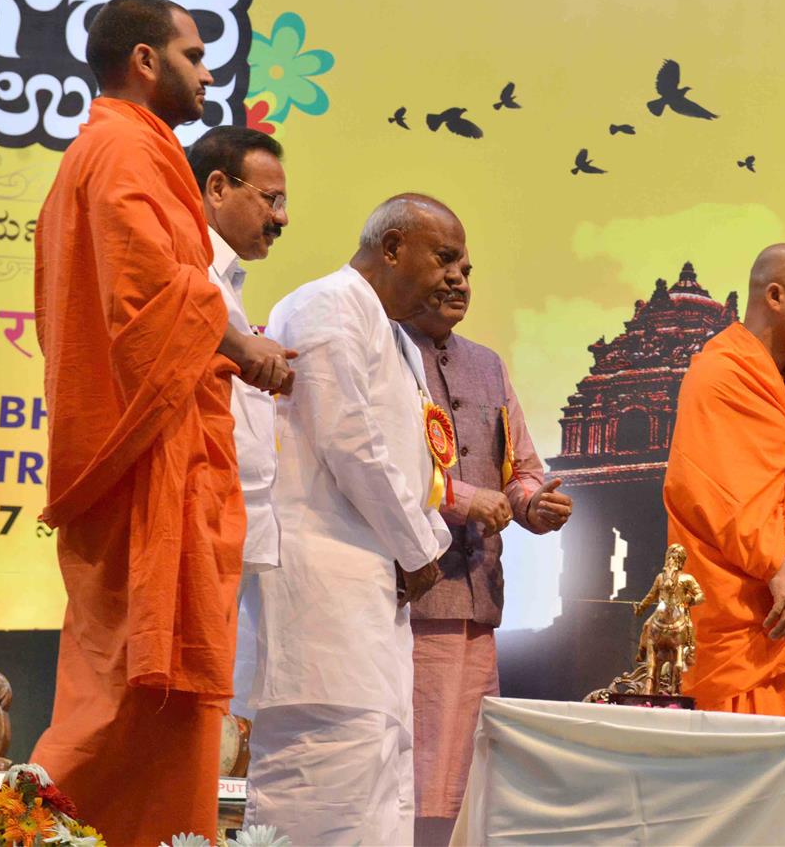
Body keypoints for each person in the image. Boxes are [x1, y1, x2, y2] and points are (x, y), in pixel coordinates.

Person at [30, 0, 293, 844]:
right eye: (193, 53)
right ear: (145, 61)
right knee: (113, 703)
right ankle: (16, 830)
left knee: (164, 706)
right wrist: (243, 346)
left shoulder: (125, 152)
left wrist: (230, 340)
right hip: (138, 462)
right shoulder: (119, 151)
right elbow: (151, 294)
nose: (210, 71)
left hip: (164, 458)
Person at [244, 194, 456, 845]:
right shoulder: (325, 305)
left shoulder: (402, 342)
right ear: (392, 247)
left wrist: (424, 541)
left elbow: (410, 466)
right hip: (321, 597)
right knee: (320, 800)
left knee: (381, 799)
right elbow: (348, 439)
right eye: (443, 257)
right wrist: (421, 551)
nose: (454, 276)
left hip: (373, 597)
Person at [664, 243, 785, 845]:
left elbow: (783, 487)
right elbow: (711, 488)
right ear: (775, 297)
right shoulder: (722, 369)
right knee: (747, 781)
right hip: (751, 606)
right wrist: (775, 566)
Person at [400, 245, 573, 844]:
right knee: (409, 769)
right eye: (443, 264)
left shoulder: (488, 366)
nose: (458, 281)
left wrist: (533, 502)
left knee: (461, 778)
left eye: (467, 271)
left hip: (478, 603)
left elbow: (521, 467)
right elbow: (380, 465)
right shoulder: (384, 353)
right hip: (410, 600)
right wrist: (465, 498)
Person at [185, 125, 289, 722]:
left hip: (234, 526)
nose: (282, 219)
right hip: (200, 516)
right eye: (270, 199)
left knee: (225, 710)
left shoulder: (225, 282)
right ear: (218, 188)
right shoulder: (189, 271)